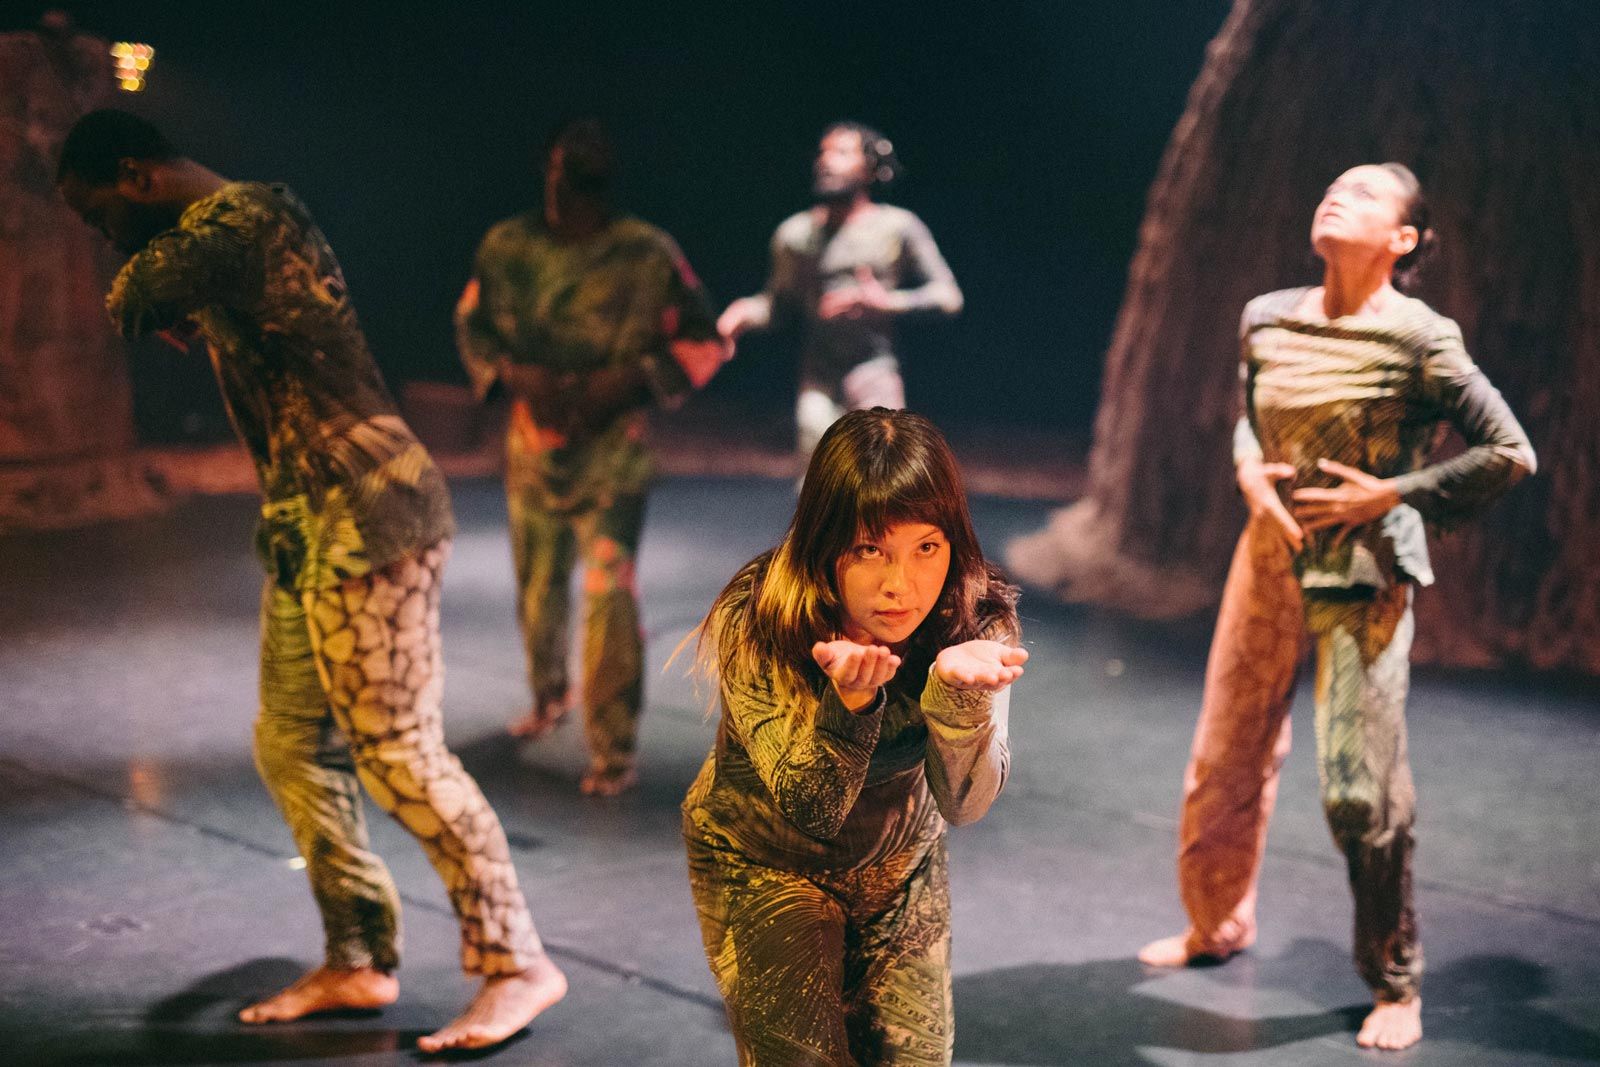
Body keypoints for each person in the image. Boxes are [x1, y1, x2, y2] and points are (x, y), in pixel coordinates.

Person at [56, 109, 566, 1053]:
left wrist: (155, 292)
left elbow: (137, 292)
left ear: (137, 176)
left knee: (401, 752)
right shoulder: (234, 241)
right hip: (307, 523)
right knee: (292, 743)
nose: (105, 237)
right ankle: (360, 954)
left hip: (372, 514)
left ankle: (519, 962)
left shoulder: (245, 218)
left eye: (100, 215)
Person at [1136, 163, 1537, 1051]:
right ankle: (1216, 922)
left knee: (1360, 787)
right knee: (1225, 753)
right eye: (1331, 187)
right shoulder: (1267, 316)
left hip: (1362, 571)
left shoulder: (1421, 337)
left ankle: (1396, 979)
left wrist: (1393, 493)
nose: (1335, 195)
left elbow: (1510, 451)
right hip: (1267, 557)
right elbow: (1251, 415)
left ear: (1403, 239)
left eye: (1362, 194)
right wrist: (1248, 468)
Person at [683, 408, 1027, 1065]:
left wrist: (959, 701)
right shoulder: (762, 615)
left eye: (926, 547)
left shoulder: (975, 620)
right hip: (765, 862)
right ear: (827, 543)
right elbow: (811, 809)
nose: (901, 585)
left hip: (900, 865)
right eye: (871, 550)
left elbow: (965, 804)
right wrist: (850, 703)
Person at [456, 118, 727, 795]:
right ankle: (549, 696)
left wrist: (632, 379)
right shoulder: (507, 247)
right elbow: (473, 325)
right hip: (534, 448)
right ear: (546, 173)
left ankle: (613, 747)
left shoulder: (645, 253)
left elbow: (705, 338)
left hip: (612, 455)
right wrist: (514, 375)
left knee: (609, 593)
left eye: (585, 176)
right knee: (538, 587)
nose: (570, 188)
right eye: (563, 172)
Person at [717, 123, 963, 463]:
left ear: (871, 168)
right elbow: (778, 304)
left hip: (875, 369)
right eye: (824, 152)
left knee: (881, 474)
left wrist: (887, 303)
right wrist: (741, 314)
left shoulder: (898, 227)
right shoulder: (795, 235)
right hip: (819, 376)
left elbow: (948, 296)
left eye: (843, 152)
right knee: (819, 473)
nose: (827, 161)